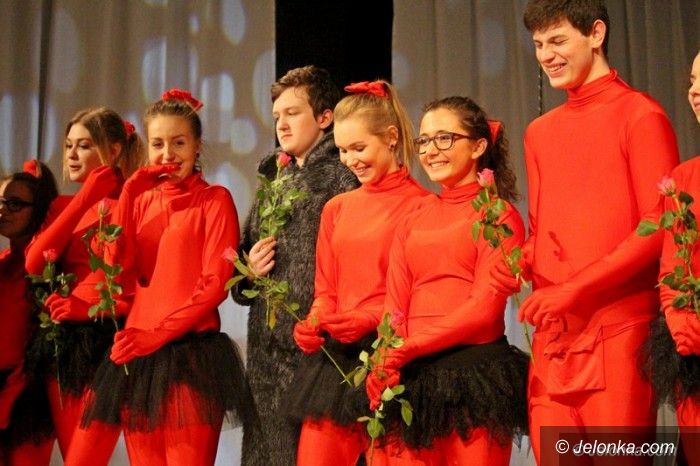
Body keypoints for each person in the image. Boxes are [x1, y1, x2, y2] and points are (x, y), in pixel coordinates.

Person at [491, 0, 680, 462]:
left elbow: (658, 227)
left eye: (557, 41)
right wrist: (520, 260)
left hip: (618, 330)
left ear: (596, 34)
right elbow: (543, 229)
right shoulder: (540, 132)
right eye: (539, 44)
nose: (546, 55)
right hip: (555, 335)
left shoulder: (640, 115)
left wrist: (573, 290)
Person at [67, 89, 252, 466]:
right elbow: (116, 270)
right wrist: (130, 193)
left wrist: (156, 335)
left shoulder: (214, 200)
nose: (168, 154)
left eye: (179, 142)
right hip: (139, 358)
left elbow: (216, 283)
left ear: (197, 146)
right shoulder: (140, 200)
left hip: (189, 355)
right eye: (158, 144)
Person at [367, 96, 528, 464]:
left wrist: (409, 347)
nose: (430, 150)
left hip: (475, 376)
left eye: (444, 138)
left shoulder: (497, 215)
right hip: (414, 376)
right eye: (424, 140)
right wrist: (385, 356)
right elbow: (395, 303)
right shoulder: (414, 216)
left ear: (478, 146)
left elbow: (483, 310)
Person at [288, 80, 430, 466]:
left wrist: (368, 319)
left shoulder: (422, 207)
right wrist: (314, 322)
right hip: (338, 357)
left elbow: (420, 297)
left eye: (359, 148)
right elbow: (326, 290)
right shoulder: (337, 208)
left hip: (394, 357)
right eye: (342, 150)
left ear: (391, 137)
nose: (350, 160)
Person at [231, 65, 359, 466]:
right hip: (267, 355)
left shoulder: (343, 176)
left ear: (324, 117)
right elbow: (242, 261)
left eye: (292, 113)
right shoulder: (274, 177)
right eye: (277, 116)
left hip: (319, 349)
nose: (282, 125)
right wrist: (249, 269)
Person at [23, 108, 143, 461]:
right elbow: (34, 264)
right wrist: (85, 198)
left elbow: (136, 285)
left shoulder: (136, 202)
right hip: (65, 344)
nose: (72, 155)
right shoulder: (63, 205)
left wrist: (89, 309)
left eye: (84, 145)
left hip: (112, 340)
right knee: (73, 456)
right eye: (68, 145)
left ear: (114, 150)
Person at [645, 50, 700, 465]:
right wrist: (679, 318)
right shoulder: (685, 178)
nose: (694, 92)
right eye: (692, 82)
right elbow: (673, 269)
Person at [0, 161, 58, 465]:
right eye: (1, 202)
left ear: (37, 211)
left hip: (27, 394)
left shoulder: (44, 269)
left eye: (15, 204)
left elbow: (41, 341)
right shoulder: (3, 261)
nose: (3, 210)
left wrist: (10, 396)